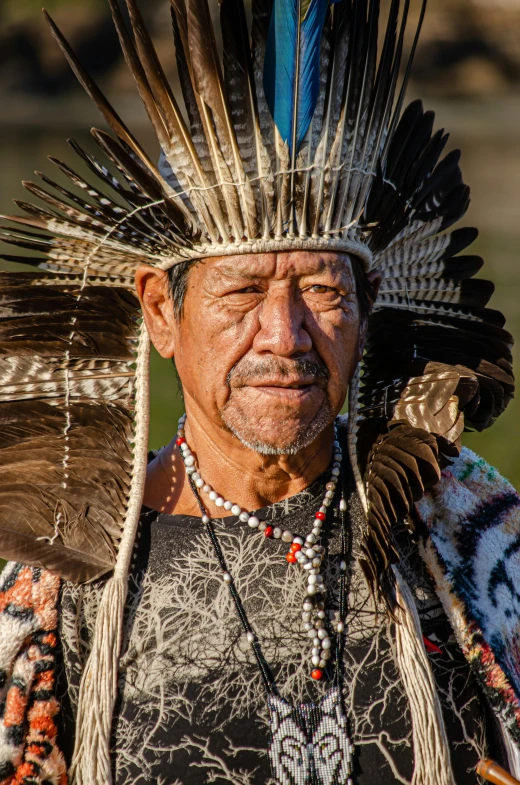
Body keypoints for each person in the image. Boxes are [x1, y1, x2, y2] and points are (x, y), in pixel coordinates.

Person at [0, 0, 519, 784]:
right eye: (242, 292)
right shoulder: (58, 579)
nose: (285, 335)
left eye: (321, 288)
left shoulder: (468, 532)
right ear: (159, 310)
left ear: (369, 301)